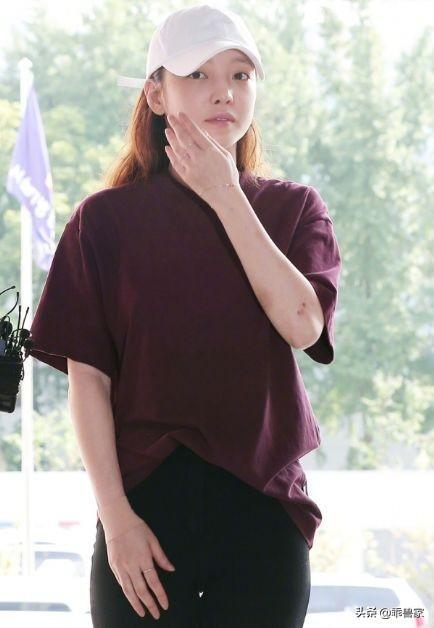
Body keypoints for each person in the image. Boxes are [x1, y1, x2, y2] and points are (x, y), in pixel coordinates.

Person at [29, 4, 342, 627]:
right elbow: (88, 383)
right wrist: (116, 520)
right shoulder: (103, 222)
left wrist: (226, 193)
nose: (224, 92)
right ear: (156, 93)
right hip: (141, 514)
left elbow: (303, 325)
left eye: (240, 75)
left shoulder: (295, 208)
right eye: (198, 74)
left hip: (262, 514)